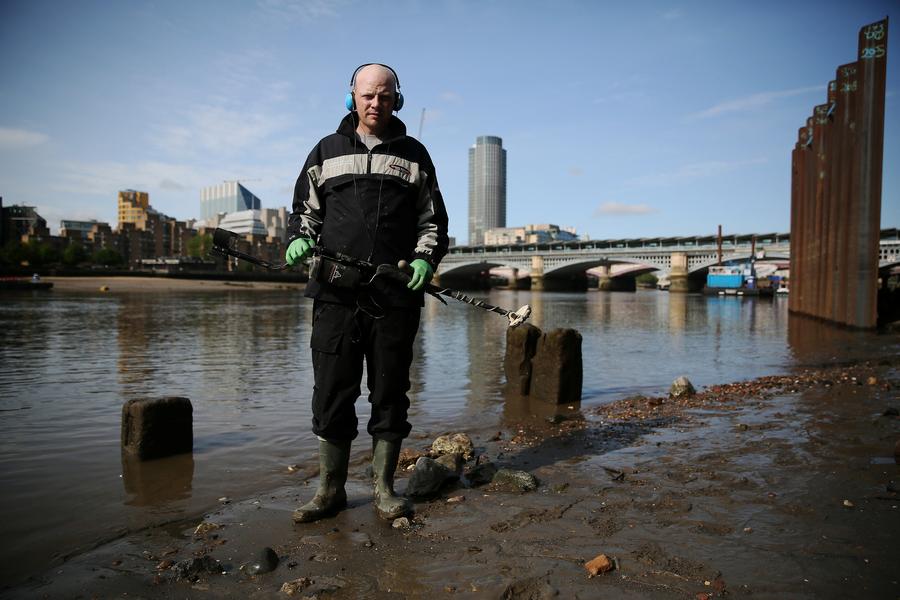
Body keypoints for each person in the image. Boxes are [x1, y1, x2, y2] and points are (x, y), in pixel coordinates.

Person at [285, 63, 449, 523]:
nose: (375, 103)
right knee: (333, 392)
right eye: (366, 95)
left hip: (393, 299)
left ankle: (383, 488)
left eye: (384, 95)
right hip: (334, 296)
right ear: (351, 99)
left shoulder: (416, 155)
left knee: (390, 393)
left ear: (397, 98)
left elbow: (433, 221)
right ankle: (329, 490)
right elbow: (305, 211)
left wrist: (423, 259)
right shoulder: (325, 150)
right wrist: (299, 237)